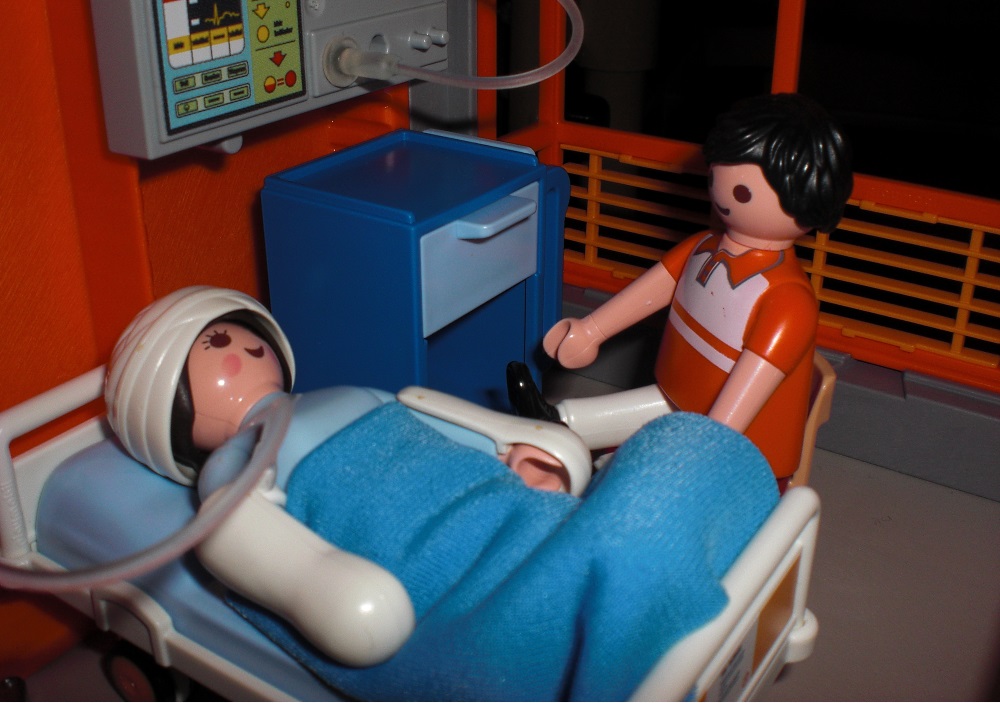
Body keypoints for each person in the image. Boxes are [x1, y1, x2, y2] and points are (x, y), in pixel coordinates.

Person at [104, 285, 780, 700]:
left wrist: (525, 448)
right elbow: (240, 543)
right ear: (169, 408)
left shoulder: (344, 393)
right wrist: (334, 595)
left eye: (238, 335)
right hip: (459, 588)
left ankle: (639, 586)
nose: (239, 351)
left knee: (683, 439)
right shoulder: (232, 466)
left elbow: (441, 420)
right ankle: (633, 608)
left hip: (510, 516)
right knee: (629, 545)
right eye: (213, 346)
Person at [510, 92, 853, 489]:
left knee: (629, 476)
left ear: (806, 198)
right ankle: (557, 425)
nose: (722, 192)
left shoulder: (788, 301)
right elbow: (654, 287)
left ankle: (581, 455)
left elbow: (744, 395)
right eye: (716, 177)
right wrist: (591, 330)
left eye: (742, 192)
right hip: (676, 398)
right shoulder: (702, 248)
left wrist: (701, 444)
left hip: (742, 455)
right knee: (596, 426)